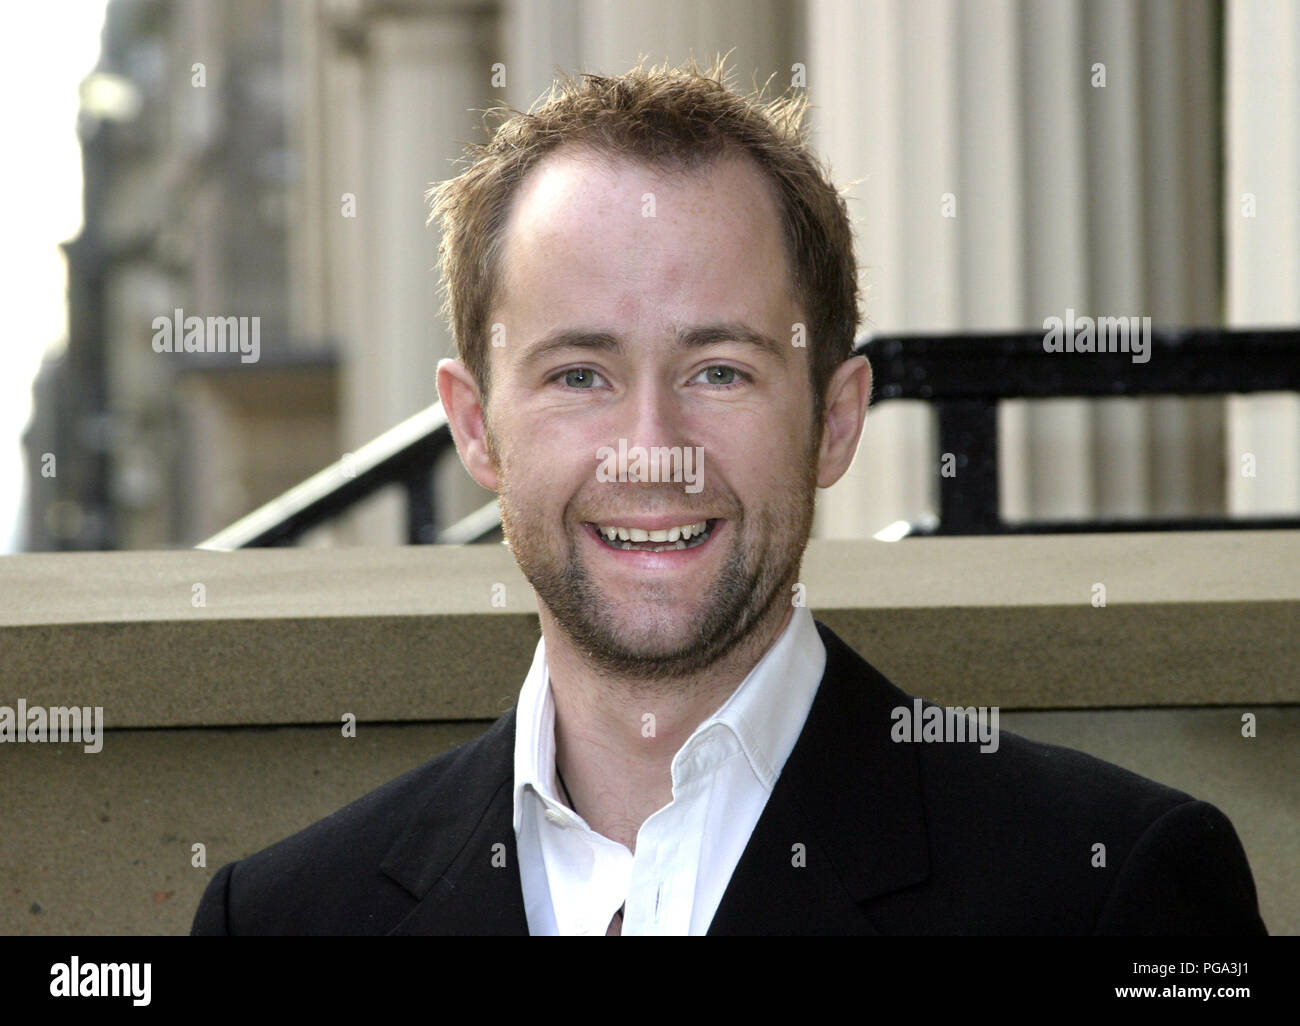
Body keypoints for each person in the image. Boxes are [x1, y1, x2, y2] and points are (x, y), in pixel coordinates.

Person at [191, 56, 1266, 936]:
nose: (651, 452)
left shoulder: (1113, 892)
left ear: (835, 421)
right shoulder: (280, 920)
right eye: (579, 376)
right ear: (475, 427)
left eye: (720, 371)